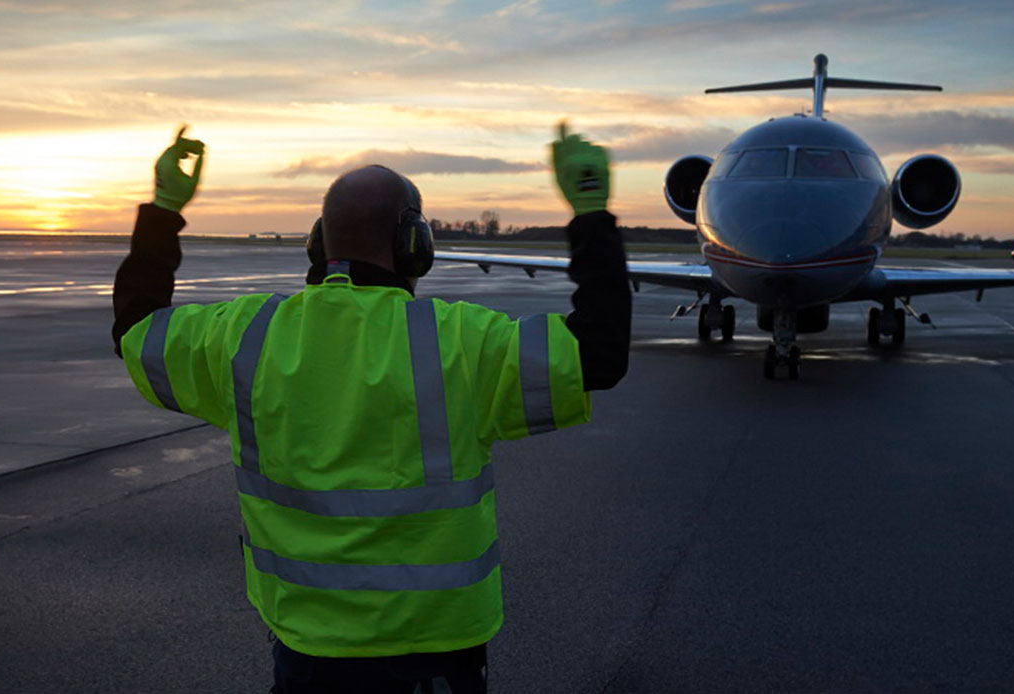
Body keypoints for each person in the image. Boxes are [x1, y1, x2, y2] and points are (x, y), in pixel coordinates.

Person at [112, 124, 631, 693]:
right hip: (436, 652)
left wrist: (164, 207)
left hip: (307, 650)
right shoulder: (461, 341)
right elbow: (598, 355)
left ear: (318, 241)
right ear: (417, 242)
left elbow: (137, 326)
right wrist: (590, 213)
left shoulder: (244, 337)